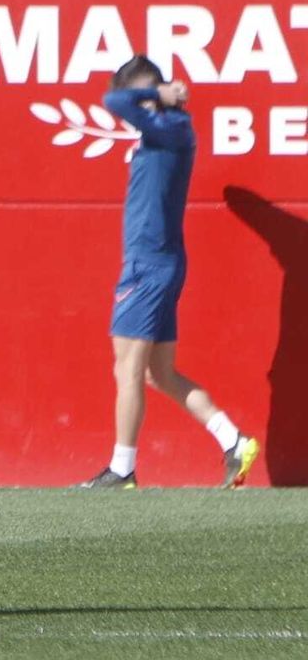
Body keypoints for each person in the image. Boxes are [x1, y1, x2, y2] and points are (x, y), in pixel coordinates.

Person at [79, 55, 259, 489]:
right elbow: (122, 101)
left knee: (126, 369)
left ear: (159, 94)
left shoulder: (170, 127)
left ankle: (122, 469)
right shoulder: (163, 130)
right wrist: (155, 98)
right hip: (156, 263)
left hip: (149, 265)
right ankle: (233, 441)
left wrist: (154, 95)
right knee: (156, 373)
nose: (140, 108)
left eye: (149, 96)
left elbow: (114, 100)